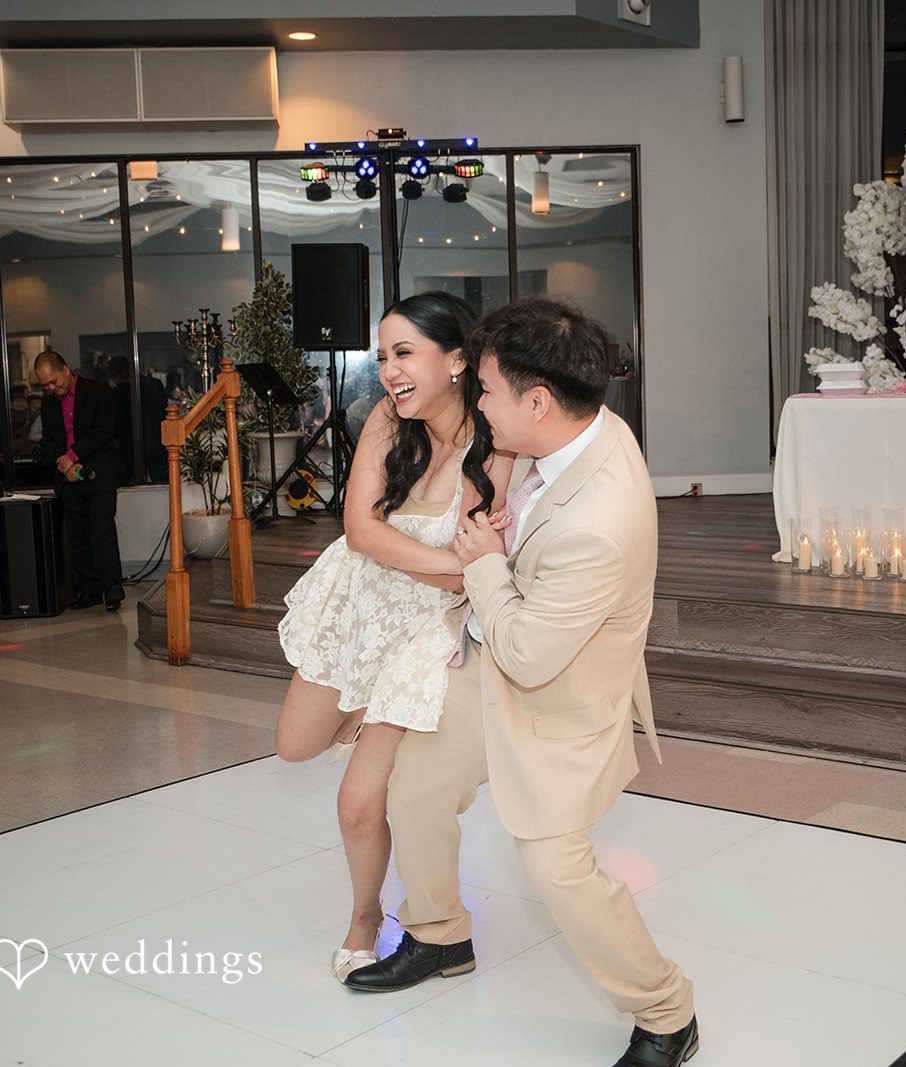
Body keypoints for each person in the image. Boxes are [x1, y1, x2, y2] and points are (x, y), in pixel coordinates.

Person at [346, 298, 699, 1067]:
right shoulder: (575, 429)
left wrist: (481, 562)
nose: (479, 403)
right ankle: (441, 935)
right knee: (418, 786)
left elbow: (534, 654)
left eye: (490, 391)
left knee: (556, 866)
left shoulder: (601, 521)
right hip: (493, 653)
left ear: (536, 401)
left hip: (557, 691)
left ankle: (668, 1011)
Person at [273, 292, 512, 985]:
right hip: (357, 607)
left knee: (357, 803)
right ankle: (364, 717)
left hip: (421, 635)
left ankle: (365, 917)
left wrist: (453, 576)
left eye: (404, 352)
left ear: (458, 359)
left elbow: (468, 571)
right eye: (383, 356)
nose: (389, 371)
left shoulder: (492, 443)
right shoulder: (386, 418)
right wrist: (453, 567)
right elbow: (359, 529)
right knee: (293, 744)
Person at [35, 349, 126, 611]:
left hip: (99, 472)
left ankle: (112, 587)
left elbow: (104, 432)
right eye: (45, 385)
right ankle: (89, 589)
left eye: (54, 381)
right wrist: (63, 464)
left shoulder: (99, 391)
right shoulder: (48, 404)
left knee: (102, 528)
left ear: (65, 369)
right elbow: (48, 442)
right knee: (77, 535)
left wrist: (72, 457)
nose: (52, 388)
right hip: (68, 476)